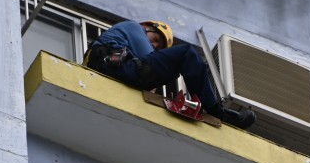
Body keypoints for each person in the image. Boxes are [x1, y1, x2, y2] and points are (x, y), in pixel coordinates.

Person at [84, 20, 256, 129]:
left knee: (171, 65)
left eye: (158, 47)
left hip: (114, 66)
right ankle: (217, 110)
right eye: (156, 39)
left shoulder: (129, 46)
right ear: (146, 26)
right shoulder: (134, 27)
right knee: (186, 54)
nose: (154, 45)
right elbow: (147, 58)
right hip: (115, 65)